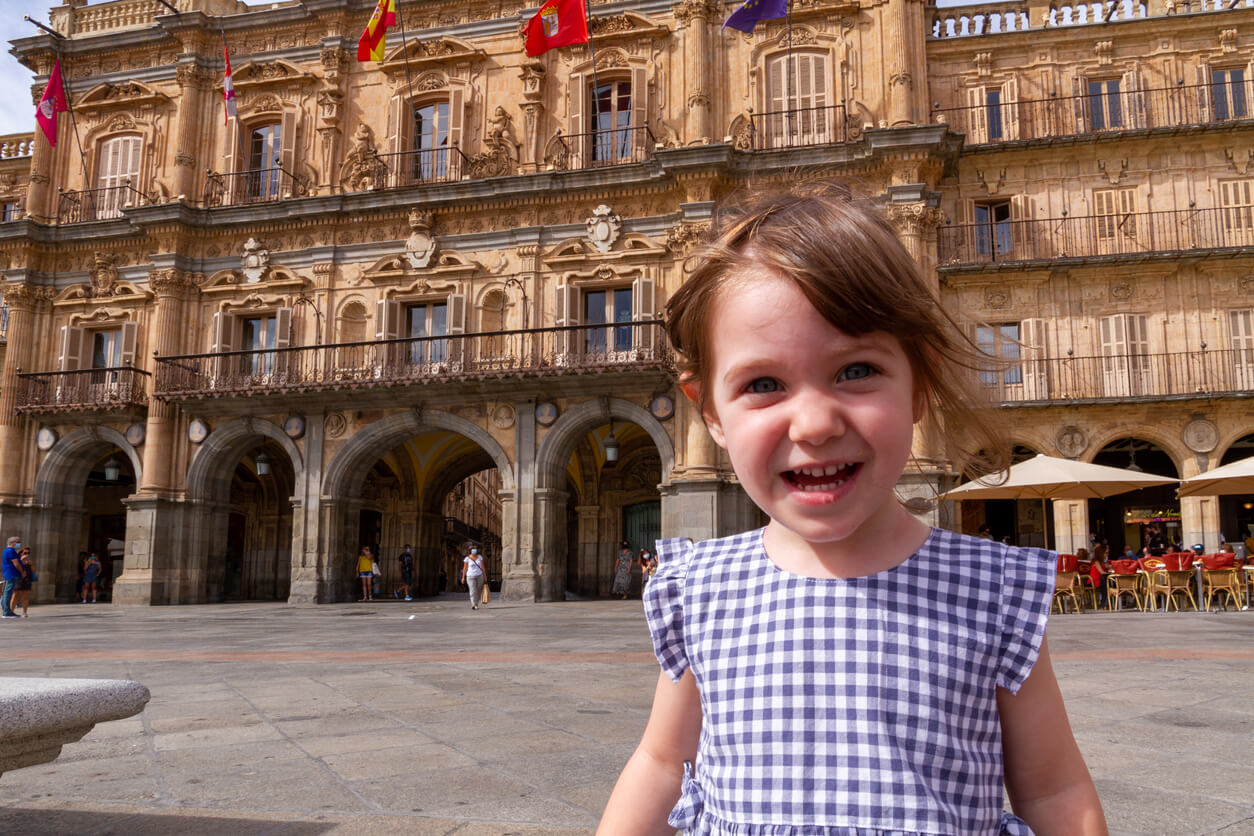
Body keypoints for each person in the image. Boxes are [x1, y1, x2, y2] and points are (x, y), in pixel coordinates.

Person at [598, 184, 1105, 834]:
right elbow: (663, 763)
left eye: (856, 371)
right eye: (763, 384)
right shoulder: (701, 591)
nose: (813, 422)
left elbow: (1056, 792)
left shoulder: (992, 592)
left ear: (918, 386)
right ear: (711, 414)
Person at [2, 536, 23, 619]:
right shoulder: (10, 551)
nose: (18, 544)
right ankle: (6, 612)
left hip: (12, 574)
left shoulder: (11, 551)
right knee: (8, 593)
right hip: (12, 574)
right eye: (17, 542)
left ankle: (7, 611)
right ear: (12, 542)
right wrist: (22, 571)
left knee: (8, 592)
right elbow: (16, 563)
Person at [461, 546, 486, 610]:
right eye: (473, 550)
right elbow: (465, 568)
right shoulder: (467, 558)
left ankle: (476, 603)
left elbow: (483, 567)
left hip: (480, 576)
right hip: (470, 576)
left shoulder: (480, 557)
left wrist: (485, 576)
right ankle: (474, 604)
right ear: (470, 551)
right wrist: (463, 577)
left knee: (478, 590)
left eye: (475, 549)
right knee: (473, 590)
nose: (474, 550)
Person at [14, 548, 34, 617]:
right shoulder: (17, 559)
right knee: (15, 595)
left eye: (28, 553)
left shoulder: (28, 560)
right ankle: (11, 611)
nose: (27, 555)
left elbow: (33, 570)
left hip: (27, 579)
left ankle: (24, 612)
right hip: (19, 578)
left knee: (25, 596)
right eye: (25, 553)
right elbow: (15, 567)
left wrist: (31, 564)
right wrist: (22, 560)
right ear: (20, 553)